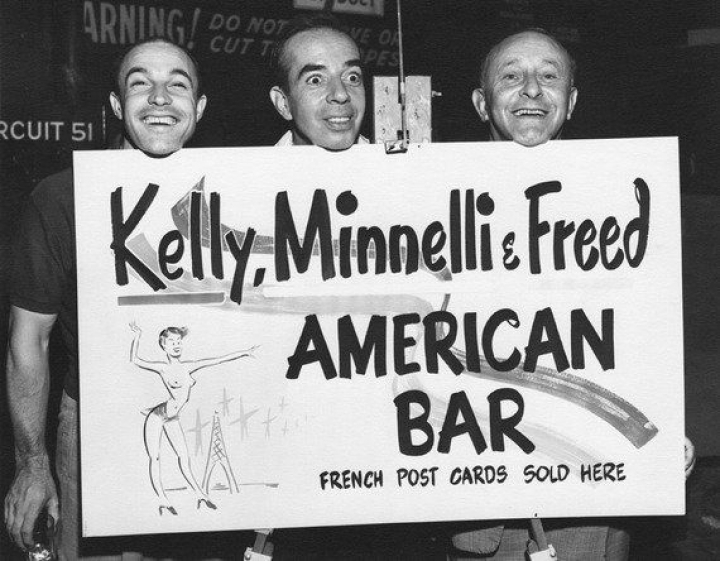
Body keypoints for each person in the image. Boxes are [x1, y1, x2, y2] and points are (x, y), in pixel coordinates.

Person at [449, 28, 695, 560]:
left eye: (549, 75)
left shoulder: (624, 198)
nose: (532, 89)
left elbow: (643, 331)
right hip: (481, 510)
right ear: (481, 103)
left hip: (591, 505)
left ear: (572, 100)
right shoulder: (426, 200)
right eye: (511, 76)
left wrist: (666, 425)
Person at [4, 38, 207, 559]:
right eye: (141, 83)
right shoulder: (61, 197)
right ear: (117, 105)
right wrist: (32, 464)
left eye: (177, 84)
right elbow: (29, 341)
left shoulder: (238, 194)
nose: (159, 97)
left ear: (200, 107)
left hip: (207, 416)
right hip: (94, 426)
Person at [129, 323, 257, 515]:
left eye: (179, 341)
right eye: (171, 342)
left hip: (172, 417)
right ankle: (163, 499)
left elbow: (217, 360)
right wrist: (138, 335)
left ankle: (200, 494)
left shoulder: (188, 366)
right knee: (155, 457)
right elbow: (135, 360)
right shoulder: (162, 368)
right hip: (156, 416)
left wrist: (245, 352)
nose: (176, 345)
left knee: (184, 456)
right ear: (163, 346)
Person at [269, 13, 368, 150]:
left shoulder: (394, 162)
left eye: (352, 77)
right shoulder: (253, 164)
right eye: (315, 80)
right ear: (283, 104)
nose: (341, 95)